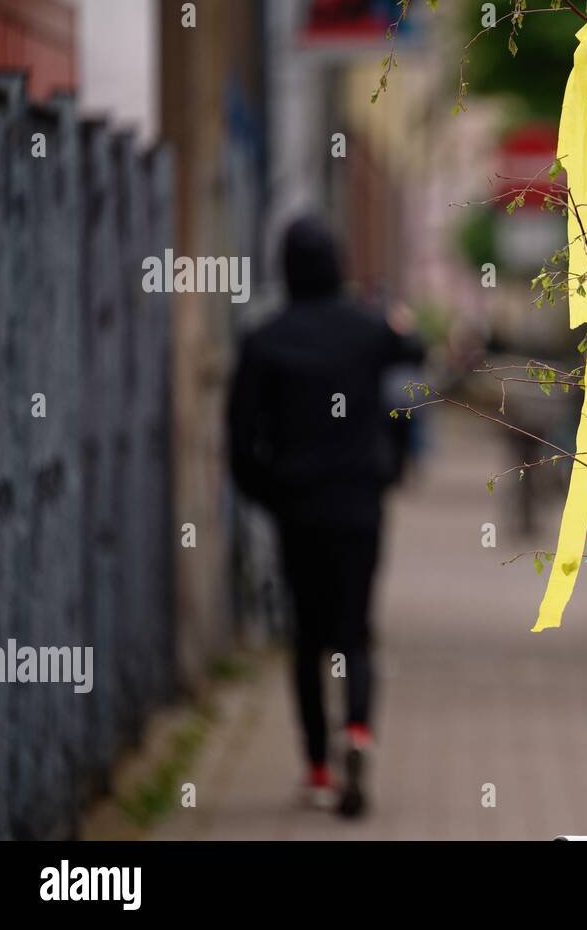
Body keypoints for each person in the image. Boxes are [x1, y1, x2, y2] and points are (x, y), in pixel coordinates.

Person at [227, 215, 424, 817]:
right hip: (359, 505)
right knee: (355, 630)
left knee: (307, 638)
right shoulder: (367, 330)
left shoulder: (265, 340)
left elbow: (239, 438)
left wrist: (270, 494)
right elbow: (415, 354)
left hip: (298, 510)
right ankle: (358, 730)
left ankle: (316, 767)